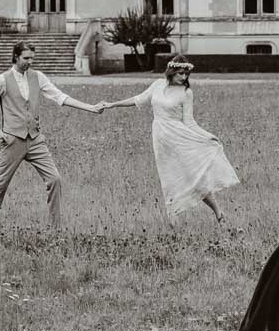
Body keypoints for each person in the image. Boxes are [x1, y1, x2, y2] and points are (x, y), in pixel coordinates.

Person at [98, 55, 239, 223]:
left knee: (193, 176)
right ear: (171, 71)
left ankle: (219, 214)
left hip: (180, 137)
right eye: (180, 73)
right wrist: (112, 104)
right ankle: (173, 219)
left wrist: (208, 136)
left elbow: (189, 122)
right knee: (168, 177)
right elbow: (138, 99)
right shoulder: (158, 85)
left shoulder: (187, 92)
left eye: (186, 74)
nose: (184, 77)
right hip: (161, 138)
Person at [0, 40, 103, 226]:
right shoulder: (3, 79)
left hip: (35, 140)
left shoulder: (38, 77)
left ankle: (55, 229)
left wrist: (90, 108)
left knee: (54, 179)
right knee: (0, 185)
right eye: (26, 58)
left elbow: (59, 96)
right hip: (13, 140)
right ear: (16, 57)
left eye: (32, 58)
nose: (30, 62)